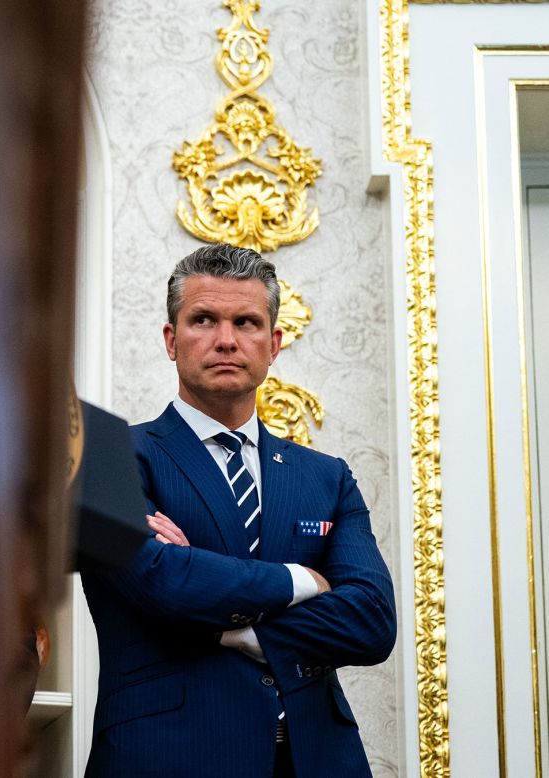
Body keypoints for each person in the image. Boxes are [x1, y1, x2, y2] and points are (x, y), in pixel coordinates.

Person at [80, 243, 396, 777]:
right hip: (166, 755)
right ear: (170, 339)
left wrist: (220, 624)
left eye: (246, 322)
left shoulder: (327, 476)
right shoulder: (109, 454)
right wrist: (302, 580)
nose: (226, 339)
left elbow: (370, 620)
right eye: (203, 319)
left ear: (273, 344)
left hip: (316, 757)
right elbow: (158, 581)